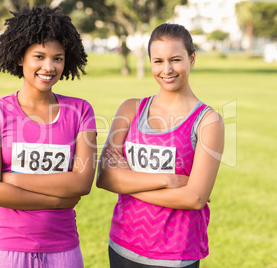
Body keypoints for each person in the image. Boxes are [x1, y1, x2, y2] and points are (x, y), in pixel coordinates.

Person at [0, 5, 97, 268]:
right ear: (21, 58)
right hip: (6, 251)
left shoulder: (81, 111)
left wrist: (13, 179)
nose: (49, 67)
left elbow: (82, 184)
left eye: (58, 58)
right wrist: (57, 200)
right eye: (39, 56)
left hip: (63, 251)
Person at [96, 23, 224, 268]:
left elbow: (195, 198)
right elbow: (104, 178)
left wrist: (128, 181)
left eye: (175, 59)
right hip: (122, 246)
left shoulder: (208, 121)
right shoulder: (131, 109)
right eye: (158, 61)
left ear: (192, 58)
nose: (166, 69)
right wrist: (168, 179)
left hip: (175, 254)